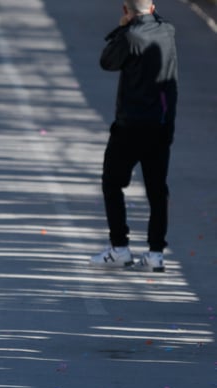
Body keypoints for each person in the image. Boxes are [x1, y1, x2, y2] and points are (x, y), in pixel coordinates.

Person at [90, 0, 178, 272]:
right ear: (152, 8)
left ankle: (120, 247)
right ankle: (155, 254)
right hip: (161, 124)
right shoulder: (168, 31)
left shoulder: (130, 37)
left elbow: (107, 61)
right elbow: (151, 16)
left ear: (125, 11)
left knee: (112, 183)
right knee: (157, 189)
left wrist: (121, 28)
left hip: (131, 125)